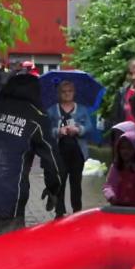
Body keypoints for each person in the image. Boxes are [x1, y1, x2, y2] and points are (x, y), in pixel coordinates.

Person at [0, 73, 61, 237]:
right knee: (10, 250)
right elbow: (52, 158)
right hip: (9, 191)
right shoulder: (36, 117)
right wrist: (53, 188)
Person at [46, 80, 96, 217]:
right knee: (60, 181)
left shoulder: (82, 109)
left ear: (74, 93)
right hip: (59, 152)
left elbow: (90, 128)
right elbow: (46, 130)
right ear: (59, 93)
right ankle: (59, 211)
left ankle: (77, 211)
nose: (67, 94)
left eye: (70, 91)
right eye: (63, 91)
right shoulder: (52, 110)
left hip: (77, 153)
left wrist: (78, 129)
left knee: (76, 183)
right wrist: (58, 131)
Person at [102, 126, 135, 208]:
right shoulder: (116, 167)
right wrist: (111, 196)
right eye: (122, 148)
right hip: (117, 206)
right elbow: (108, 185)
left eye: (129, 148)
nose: (125, 151)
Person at [110, 57, 135, 132]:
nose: (133, 77)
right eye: (130, 73)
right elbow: (116, 120)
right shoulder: (122, 93)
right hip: (127, 140)